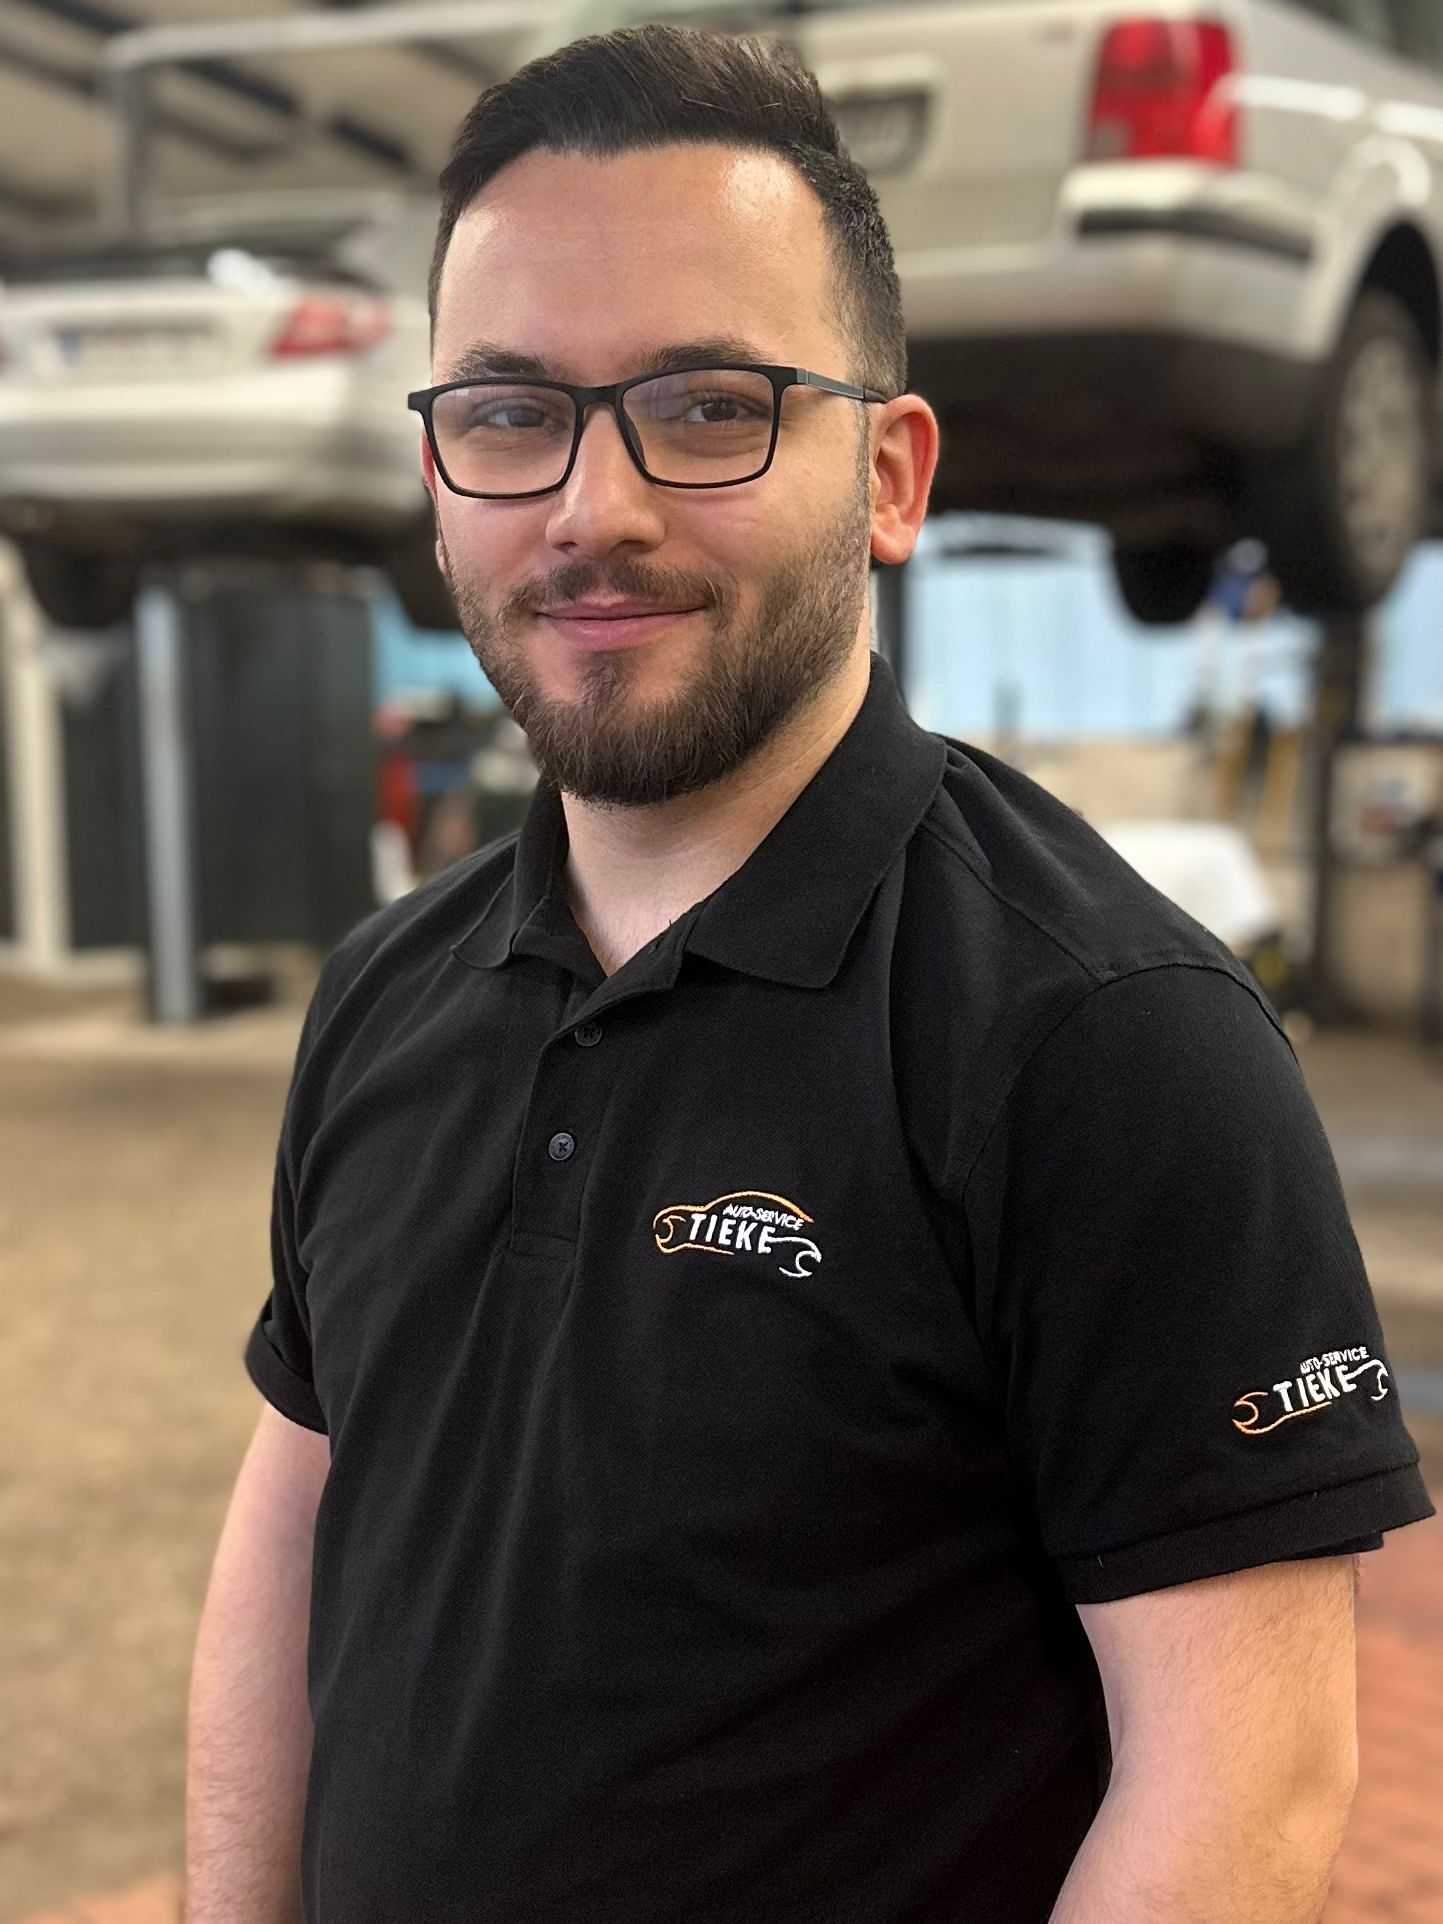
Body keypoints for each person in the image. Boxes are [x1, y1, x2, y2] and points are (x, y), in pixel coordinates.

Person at [185, 25, 1436, 1924]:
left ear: (889, 475)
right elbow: (292, 1533)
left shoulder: (1107, 1042)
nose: (593, 509)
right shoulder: (382, 996)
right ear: (438, 472)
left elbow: (1246, 1790)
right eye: (510, 414)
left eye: (707, 407)